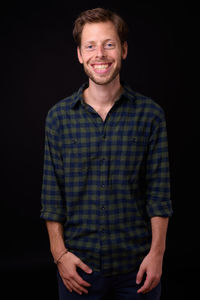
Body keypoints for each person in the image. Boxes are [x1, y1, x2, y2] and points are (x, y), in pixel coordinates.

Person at [40, 7, 173, 300]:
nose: (100, 54)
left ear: (123, 50)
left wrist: (157, 255)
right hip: (78, 269)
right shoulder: (58, 118)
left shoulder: (151, 115)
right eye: (90, 46)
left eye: (109, 44)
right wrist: (59, 255)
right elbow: (52, 198)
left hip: (138, 269)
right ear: (79, 54)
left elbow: (159, 194)